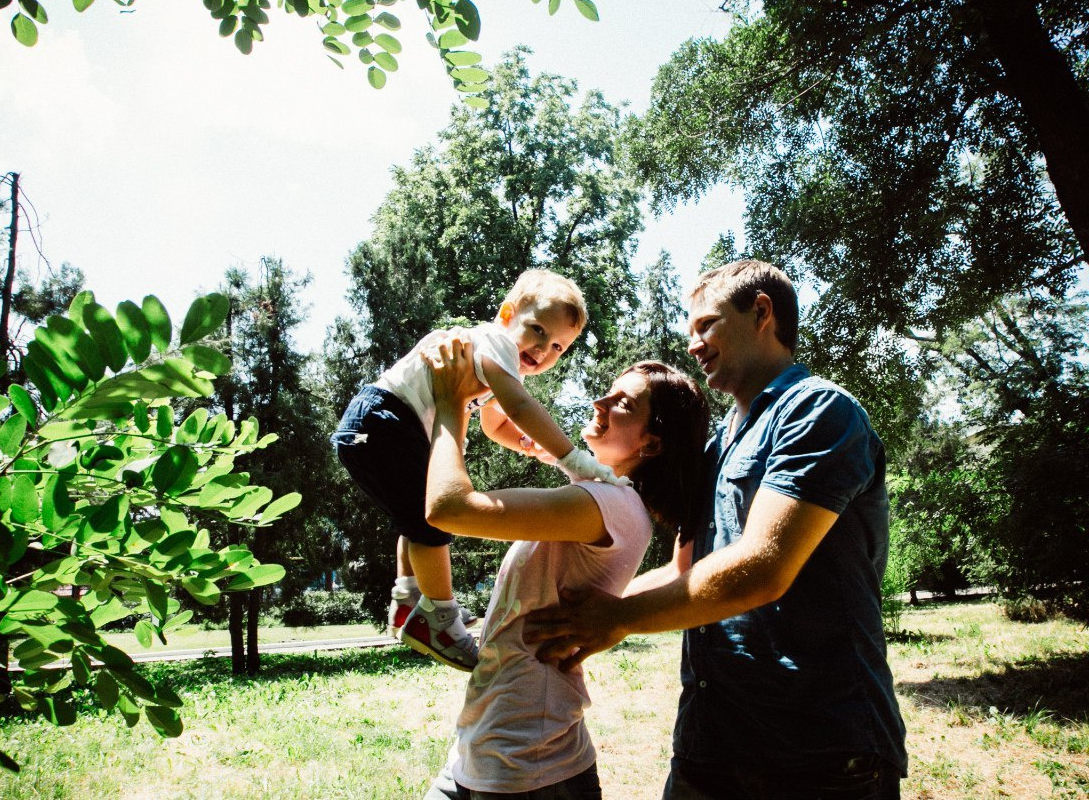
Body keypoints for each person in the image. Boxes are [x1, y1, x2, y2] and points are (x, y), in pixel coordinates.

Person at [526, 260, 907, 800]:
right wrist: (575, 613)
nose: (693, 344)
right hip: (710, 746)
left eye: (706, 324)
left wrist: (619, 617)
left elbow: (764, 568)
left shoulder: (820, 412)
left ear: (761, 314)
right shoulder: (716, 448)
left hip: (817, 751)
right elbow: (682, 569)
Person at [420, 335, 709, 799]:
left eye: (623, 403)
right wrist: (492, 377)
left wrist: (451, 404)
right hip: (485, 747)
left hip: (528, 763)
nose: (599, 401)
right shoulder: (601, 492)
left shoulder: (608, 504)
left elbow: (448, 508)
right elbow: (512, 421)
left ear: (651, 444)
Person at [331, 270, 623, 672]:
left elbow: (496, 422)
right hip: (386, 421)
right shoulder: (495, 342)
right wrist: (571, 459)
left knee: (416, 514)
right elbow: (520, 408)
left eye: (557, 346)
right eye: (536, 329)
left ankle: (408, 602)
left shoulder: (492, 357)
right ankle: (440, 621)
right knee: (432, 522)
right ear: (507, 314)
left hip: (376, 425)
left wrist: (525, 443)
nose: (542, 348)